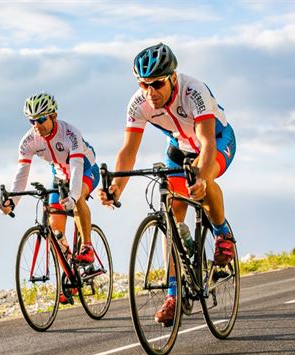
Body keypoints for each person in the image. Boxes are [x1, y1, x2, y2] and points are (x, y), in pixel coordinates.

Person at [99, 43, 237, 324]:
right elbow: (128, 150)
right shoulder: (138, 103)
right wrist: (116, 187)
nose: (151, 92)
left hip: (217, 141)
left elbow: (207, 142)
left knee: (203, 178)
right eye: (143, 84)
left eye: (157, 84)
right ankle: (174, 295)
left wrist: (200, 176)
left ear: (172, 77)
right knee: (172, 213)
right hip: (178, 148)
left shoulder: (194, 91)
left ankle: (223, 235)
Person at [0, 93, 100, 302]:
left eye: (42, 119)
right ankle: (70, 275)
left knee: (78, 197)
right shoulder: (28, 141)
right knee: (56, 232)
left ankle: (87, 246)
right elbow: (22, 174)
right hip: (60, 176)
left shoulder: (70, 133)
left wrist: (73, 195)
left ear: (53, 115)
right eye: (32, 120)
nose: (37, 125)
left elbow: (76, 166)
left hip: (85, 169)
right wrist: (12, 201)